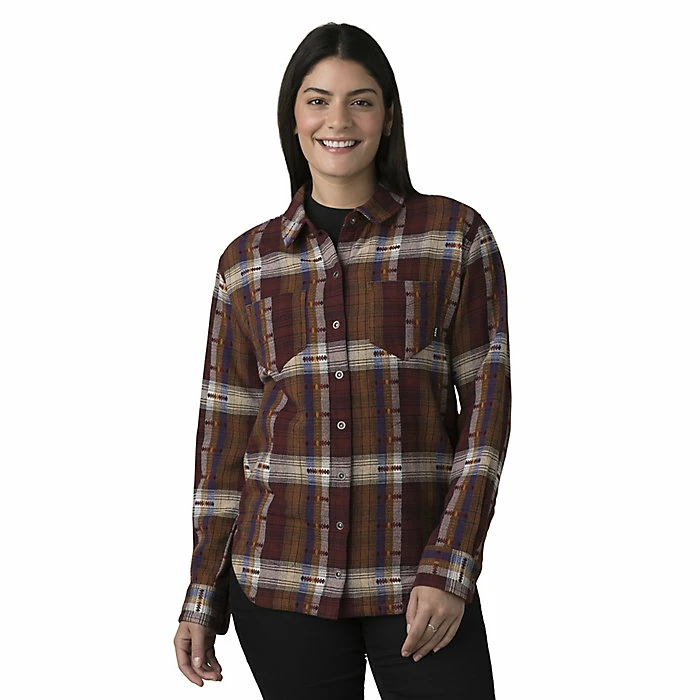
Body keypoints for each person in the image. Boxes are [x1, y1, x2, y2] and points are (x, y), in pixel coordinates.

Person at [173, 22, 511, 699]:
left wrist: (451, 565)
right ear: (293, 119)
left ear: (388, 118)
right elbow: (225, 436)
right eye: (317, 100)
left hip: (416, 582)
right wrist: (202, 592)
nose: (338, 120)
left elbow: (486, 417)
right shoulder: (247, 262)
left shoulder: (454, 237)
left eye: (361, 101)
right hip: (278, 582)